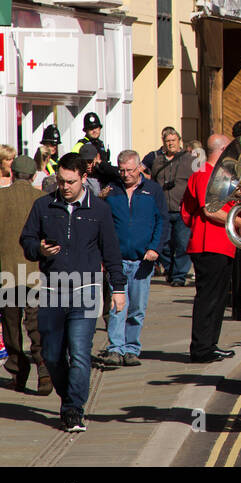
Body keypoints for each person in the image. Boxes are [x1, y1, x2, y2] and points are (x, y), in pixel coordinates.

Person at [20, 153, 126, 432]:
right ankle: (69, 397)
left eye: (70, 182)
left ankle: (73, 410)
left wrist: (119, 288)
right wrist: (39, 249)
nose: (65, 187)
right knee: (52, 355)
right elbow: (27, 240)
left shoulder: (99, 210)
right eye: (61, 181)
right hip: (53, 290)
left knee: (79, 353)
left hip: (87, 289)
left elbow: (111, 251)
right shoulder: (43, 206)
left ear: (83, 179)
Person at [96, 151, 165, 369]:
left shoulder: (153, 191)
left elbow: (162, 222)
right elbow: (101, 224)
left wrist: (155, 248)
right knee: (118, 306)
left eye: (130, 170)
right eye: (122, 170)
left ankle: (131, 349)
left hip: (142, 261)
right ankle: (116, 348)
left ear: (139, 169)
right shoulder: (112, 191)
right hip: (117, 260)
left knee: (136, 308)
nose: (125, 175)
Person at [180, 135, 236, 364]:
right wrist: (239, 222)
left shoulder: (221, 175)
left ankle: (209, 345)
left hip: (222, 244)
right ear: (222, 149)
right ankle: (202, 348)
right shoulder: (204, 174)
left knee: (218, 298)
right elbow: (210, 210)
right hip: (209, 244)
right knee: (208, 298)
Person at [1, 156, 49, 394]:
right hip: (35, 272)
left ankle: (18, 371)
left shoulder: (0, 198)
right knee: (35, 323)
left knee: (11, 326)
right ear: (32, 176)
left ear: (12, 174)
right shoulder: (42, 200)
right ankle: (43, 368)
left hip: (6, 273)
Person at [150, 128, 196, 286]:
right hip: (163, 210)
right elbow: (153, 182)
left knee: (182, 244)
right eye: (167, 141)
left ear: (179, 141)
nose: (170, 144)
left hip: (183, 209)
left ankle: (179, 276)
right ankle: (170, 269)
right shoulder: (157, 161)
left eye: (173, 140)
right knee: (163, 245)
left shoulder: (190, 160)